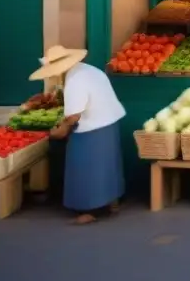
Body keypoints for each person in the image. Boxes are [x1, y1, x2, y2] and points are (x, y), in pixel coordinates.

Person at [27, 46, 126, 225]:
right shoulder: (88, 70)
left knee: (83, 168)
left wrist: (60, 130)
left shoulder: (74, 80)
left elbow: (73, 116)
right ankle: (113, 203)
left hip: (92, 127)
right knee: (108, 166)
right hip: (109, 121)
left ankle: (88, 210)